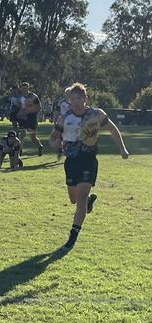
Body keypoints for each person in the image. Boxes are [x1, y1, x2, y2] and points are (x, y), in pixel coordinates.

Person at [54, 83, 129, 252]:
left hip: (88, 160)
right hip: (71, 161)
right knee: (74, 200)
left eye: (79, 97)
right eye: (72, 98)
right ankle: (88, 202)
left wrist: (122, 148)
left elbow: (112, 129)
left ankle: (72, 237)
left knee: (79, 200)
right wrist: (56, 142)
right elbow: (55, 135)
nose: (75, 101)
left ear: (85, 98)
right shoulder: (65, 117)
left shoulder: (96, 114)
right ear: (68, 100)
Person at [16, 82, 44, 155]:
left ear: (28, 88)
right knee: (21, 134)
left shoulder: (33, 96)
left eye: (26, 88)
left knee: (33, 137)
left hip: (31, 118)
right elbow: (20, 107)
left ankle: (40, 146)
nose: (24, 90)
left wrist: (29, 111)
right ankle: (19, 152)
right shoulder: (19, 97)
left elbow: (39, 107)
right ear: (20, 88)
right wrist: (19, 113)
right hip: (23, 118)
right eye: (23, 88)